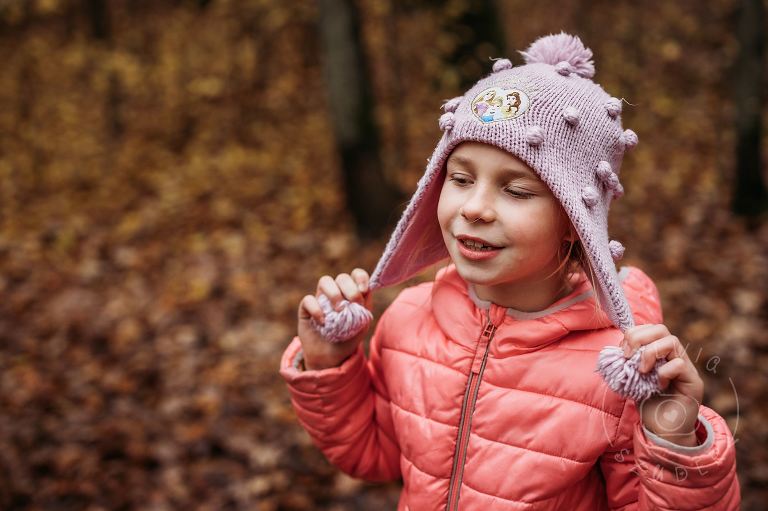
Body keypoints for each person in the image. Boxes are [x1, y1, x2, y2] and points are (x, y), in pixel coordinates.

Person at [279, 32, 740, 510]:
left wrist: (675, 439)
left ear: (573, 222)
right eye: (459, 179)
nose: (474, 208)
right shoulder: (408, 323)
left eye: (516, 190)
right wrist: (331, 366)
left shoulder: (623, 372)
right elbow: (373, 456)